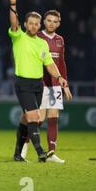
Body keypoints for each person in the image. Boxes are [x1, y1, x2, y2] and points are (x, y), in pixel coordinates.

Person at [8, 0, 69, 162]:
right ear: (25, 25)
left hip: (37, 85)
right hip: (23, 83)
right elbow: (13, 22)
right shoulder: (18, 37)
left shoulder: (42, 43)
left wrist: (60, 77)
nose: (34, 26)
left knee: (26, 119)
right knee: (35, 117)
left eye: (36, 24)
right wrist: (13, 5)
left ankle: (18, 153)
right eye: (31, 23)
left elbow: (50, 64)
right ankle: (41, 152)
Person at [21, 10, 73, 163]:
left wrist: (65, 84)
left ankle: (51, 152)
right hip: (40, 83)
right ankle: (23, 148)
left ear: (59, 23)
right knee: (38, 119)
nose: (51, 23)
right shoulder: (38, 37)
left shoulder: (60, 40)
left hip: (55, 84)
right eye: (49, 20)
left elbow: (61, 64)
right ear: (44, 21)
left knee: (53, 117)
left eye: (55, 21)